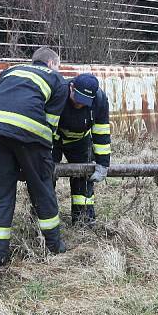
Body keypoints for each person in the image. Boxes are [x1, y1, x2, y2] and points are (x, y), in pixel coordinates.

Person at [0, 47, 69, 269]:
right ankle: (54, 246)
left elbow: (3, 100)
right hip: (30, 132)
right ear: (51, 64)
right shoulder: (57, 79)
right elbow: (50, 125)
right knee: (42, 189)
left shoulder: (9, 72)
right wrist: (41, 163)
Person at [52, 73, 110, 225]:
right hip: (55, 139)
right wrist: (47, 158)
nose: (80, 105)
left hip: (81, 141)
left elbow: (101, 132)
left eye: (85, 102)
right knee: (46, 177)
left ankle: (83, 219)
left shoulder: (100, 100)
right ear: (71, 87)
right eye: (78, 99)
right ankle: (42, 217)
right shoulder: (58, 93)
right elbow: (47, 127)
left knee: (83, 179)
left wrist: (103, 164)